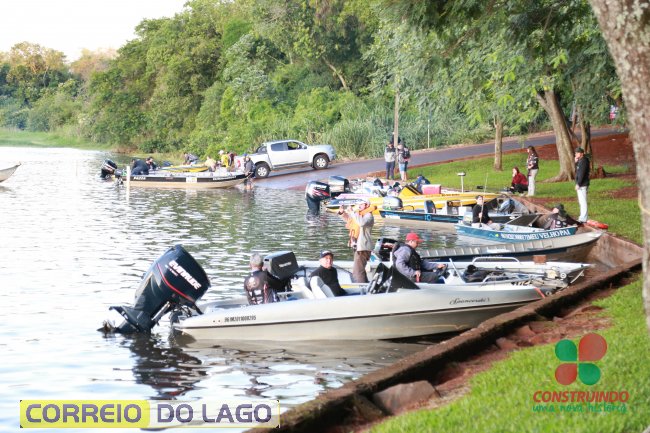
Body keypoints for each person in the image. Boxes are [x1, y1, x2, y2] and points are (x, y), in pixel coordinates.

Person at [344, 200, 375, 283]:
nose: (359, 205)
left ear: (367, 205)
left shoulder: (368, 216)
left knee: (358, 271)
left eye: (361, 204)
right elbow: (350, 221)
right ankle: (366, 285)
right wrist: (342, 213)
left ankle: (360, 287)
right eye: (359, 204)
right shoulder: (359, 215)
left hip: (363, 247)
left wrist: (353, 212)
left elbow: (361, 223)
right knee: (360, 269)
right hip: (357, 245)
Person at [575, 147, 590, 223]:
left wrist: (578, 184)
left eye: (577, 153)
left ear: (581, 154)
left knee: (583, 202)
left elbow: (581, 173)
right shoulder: (581, 161)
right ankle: (582, 217)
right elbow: (578, 171)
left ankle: (583, 218)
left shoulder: (583, 161)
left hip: (582, 184)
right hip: (582, 184)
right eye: (576, 153)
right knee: (581, 202)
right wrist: (576, 162)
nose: (576, 154)